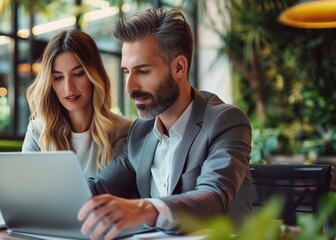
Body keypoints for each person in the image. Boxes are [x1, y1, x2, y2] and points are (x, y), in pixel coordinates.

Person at [77, 8, 252, 240]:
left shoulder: (225, 121)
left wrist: (144, 209)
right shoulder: (141, 131)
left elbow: (214, 197)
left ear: (179, 67)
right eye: (127, 71)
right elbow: (100, 186)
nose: (130, 87)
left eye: (143, 71)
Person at [23, 29, 132, 178]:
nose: (69, 88)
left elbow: (111, 189)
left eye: (78, 74)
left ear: (94, 75)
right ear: (49, 83)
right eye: (58, 77)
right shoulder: (37, 131)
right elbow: (26, 185)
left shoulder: (123, 130)